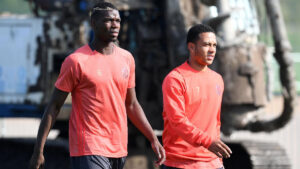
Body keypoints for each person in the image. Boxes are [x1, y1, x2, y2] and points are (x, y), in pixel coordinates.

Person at [29, 2, 165, 169]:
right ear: (93, 24)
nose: (115, 24)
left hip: (117, 147)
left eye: (118, 20)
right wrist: (38, 150)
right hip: (89, 146)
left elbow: (131, 104)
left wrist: (153, 138)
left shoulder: (126, 58)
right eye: (108, 20)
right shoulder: (76, 61)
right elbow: (54, 106)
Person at [161, 24, 232, 169]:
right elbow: (177, 121)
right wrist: (207, 142)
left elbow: (215, 122)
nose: (212, 50)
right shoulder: (175, 79)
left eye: (214, 45)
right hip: (180, 163)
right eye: (206, 45)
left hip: (212, 162)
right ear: (191, 47)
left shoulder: (217, 79)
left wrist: (218, 159)